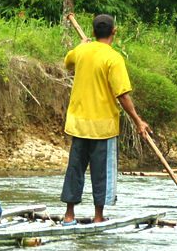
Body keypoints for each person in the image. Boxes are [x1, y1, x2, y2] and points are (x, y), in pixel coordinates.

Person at [61, 13, 150, 225]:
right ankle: (98, 217)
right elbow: (122, 95)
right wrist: (138, 121)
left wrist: (81, 45)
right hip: (104, 127)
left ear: (93, 32)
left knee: (75, 169)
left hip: (79, 124)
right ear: (114, 32)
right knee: (102, 173)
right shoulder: (113, 58)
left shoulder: (82, 51)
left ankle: (69, 215)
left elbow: (68, 61)